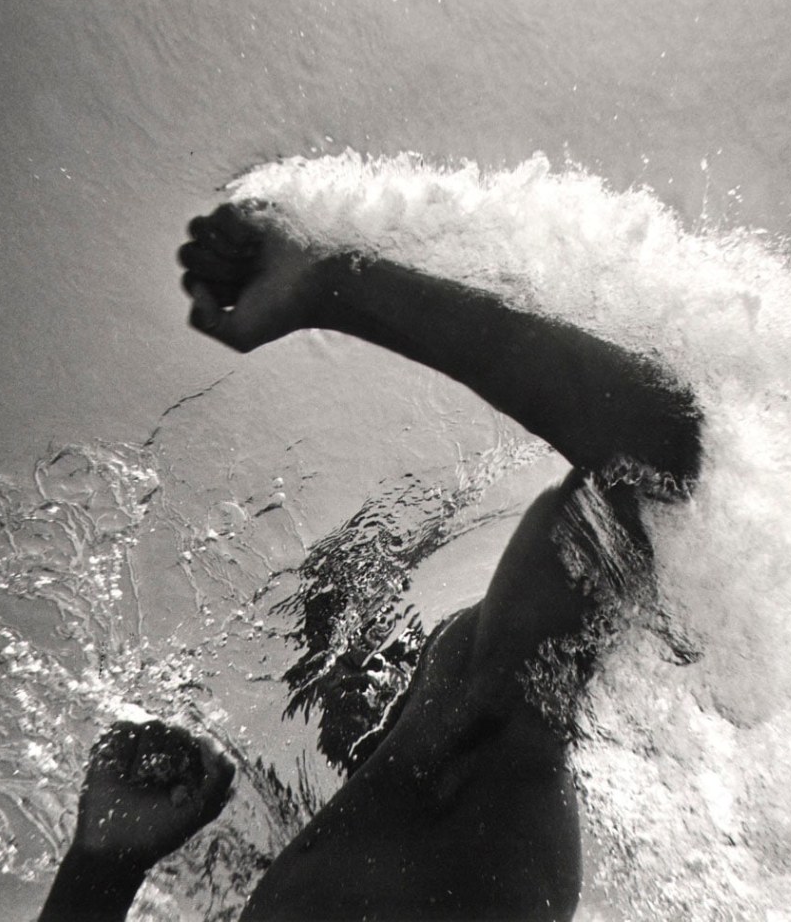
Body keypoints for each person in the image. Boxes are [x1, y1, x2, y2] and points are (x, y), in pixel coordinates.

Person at [40, 201, 703, 921]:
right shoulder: (484, 794)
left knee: (369, 657)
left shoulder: (472, 764)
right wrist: (330, 285)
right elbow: (661, 457)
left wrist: (104, 867)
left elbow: (662, 456)